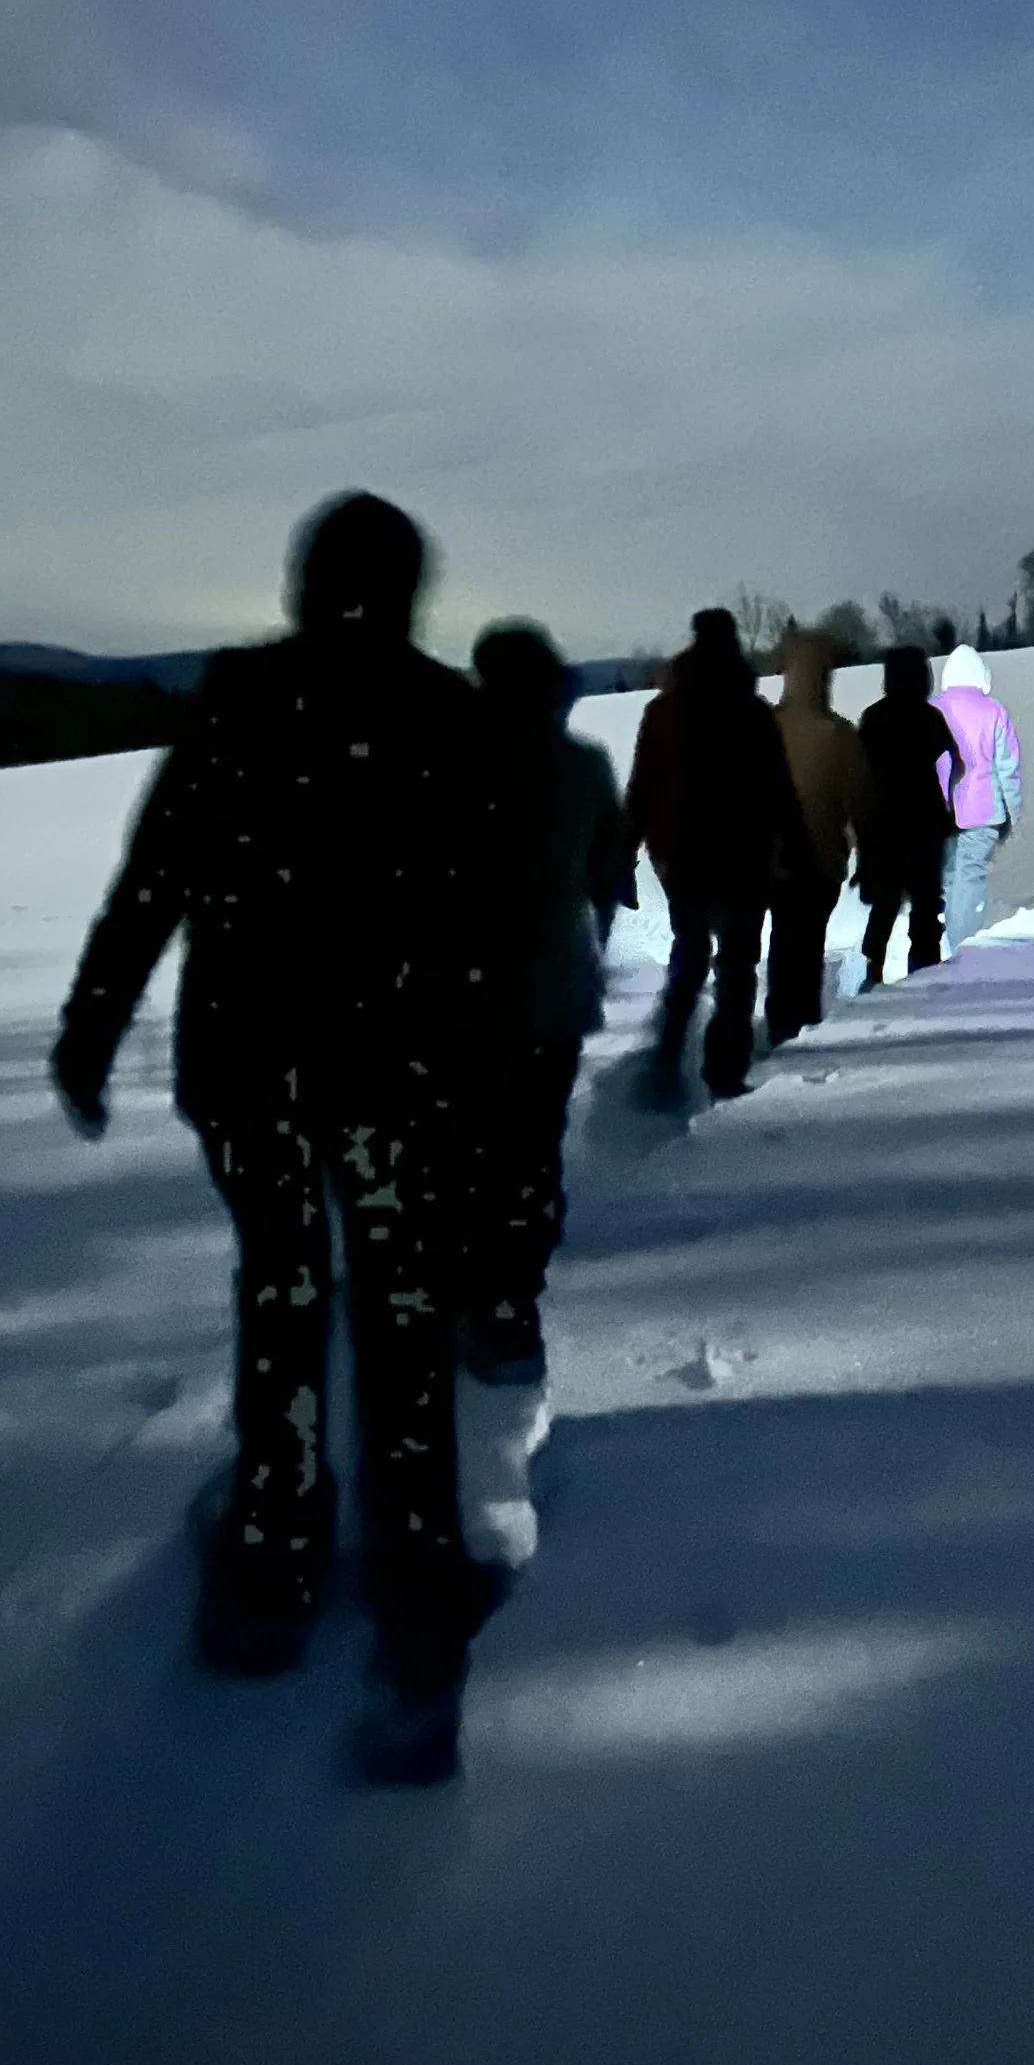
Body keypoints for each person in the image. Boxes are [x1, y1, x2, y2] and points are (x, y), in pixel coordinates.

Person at [50, 492, 491, 1745]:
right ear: (407, 588)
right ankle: (414, 1568)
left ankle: (275, 1548)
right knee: (400, 1303)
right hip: (388, 1075)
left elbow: (153, 880)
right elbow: (482, 927)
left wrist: (93, 1028)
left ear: (306, 582)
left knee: (283, 1290)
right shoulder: (442, 718)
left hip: (249, 1068)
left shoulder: (240, 703)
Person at [465, 621, 626, 1574]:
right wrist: (584, 938)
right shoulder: (580, 765)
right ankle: (511, 1307)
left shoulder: (446, 767)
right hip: (552, 991)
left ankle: (470, 1297)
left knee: (472, 1145)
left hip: (463, 1000)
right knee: (531, 1143)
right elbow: (609, 876)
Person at [626, 607, 804, 1102]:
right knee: (738, 964)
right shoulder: (753, 712)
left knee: (689, 953)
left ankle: (664, 1063)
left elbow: (642, 788)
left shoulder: (663, 712)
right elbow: (779, 789)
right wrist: (797, 847)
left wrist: (625, 855)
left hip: (681, 856)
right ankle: (725, 1072)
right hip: (744, 855)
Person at [767, 626, 868, 1041]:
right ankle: (803, 1021)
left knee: (782, 937)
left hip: (772, 858)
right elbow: (860, 799)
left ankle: (778, 1020)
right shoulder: (839, 735)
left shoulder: (767, 727)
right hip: (823, 857)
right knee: (808, 942)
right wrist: (865, 849)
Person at [857, 644, 964, 982]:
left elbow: (861, 772)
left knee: (886, 898)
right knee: (926, 898)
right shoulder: (929, 716)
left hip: (885, 820)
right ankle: (924, 966)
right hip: (926, 818)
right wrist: (949, 804)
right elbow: (955, 761)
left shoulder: (873, 718)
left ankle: (873, 966)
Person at [935, 641, 1022, 952]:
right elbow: (1007, 766)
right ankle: (962, 945)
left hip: (940, 812)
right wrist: (1013, 811)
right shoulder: (994, 711)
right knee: (970, 875)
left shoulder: (933, 708)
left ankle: (944, 940)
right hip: (984, 811)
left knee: (948, 877)